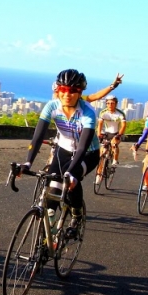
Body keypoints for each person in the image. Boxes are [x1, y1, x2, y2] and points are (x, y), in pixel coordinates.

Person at [20, 69, 100, 237]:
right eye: (62, 89)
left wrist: (72, 172)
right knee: (52, 188)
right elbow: (38, 136)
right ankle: (47, 238)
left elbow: (82, 146)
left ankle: (77, 216)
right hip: (63, 149)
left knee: (72, 179)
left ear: (80, 92)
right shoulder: (52, 107)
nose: (67, 94)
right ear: (57, 90)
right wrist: (28, 162)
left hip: (87, 154)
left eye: (72, 90)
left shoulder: (87, 112)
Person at [97, 95, 127, 170]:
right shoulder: (103, 113)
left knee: (114, 145)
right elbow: (100, 124)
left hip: (116, 133)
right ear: (106, 104)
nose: (110, 105)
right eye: (108, 103)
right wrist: (99, 134)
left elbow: (123, 126)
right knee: (102, 152)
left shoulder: (120, 113)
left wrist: (119, 135)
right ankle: (99, 173)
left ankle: (115, 160)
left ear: (116, 104)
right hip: (106, 133)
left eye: (112, 103)